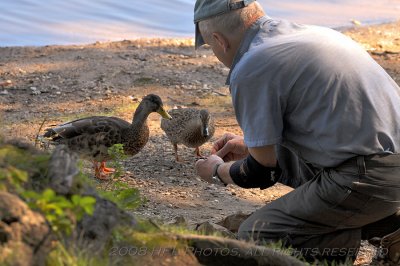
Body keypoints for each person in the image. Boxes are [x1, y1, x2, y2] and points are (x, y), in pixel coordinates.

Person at [193, 0, 400, 264]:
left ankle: (339, 242)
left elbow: (259, 172)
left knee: (258, 235)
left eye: (210, 47)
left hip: (369, 177)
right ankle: (388, 229)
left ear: (219, 40)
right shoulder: (313, 34)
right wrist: (253, 145)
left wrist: (215, 171)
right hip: (385, 166)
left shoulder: (250, 67)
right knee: (290, 160)